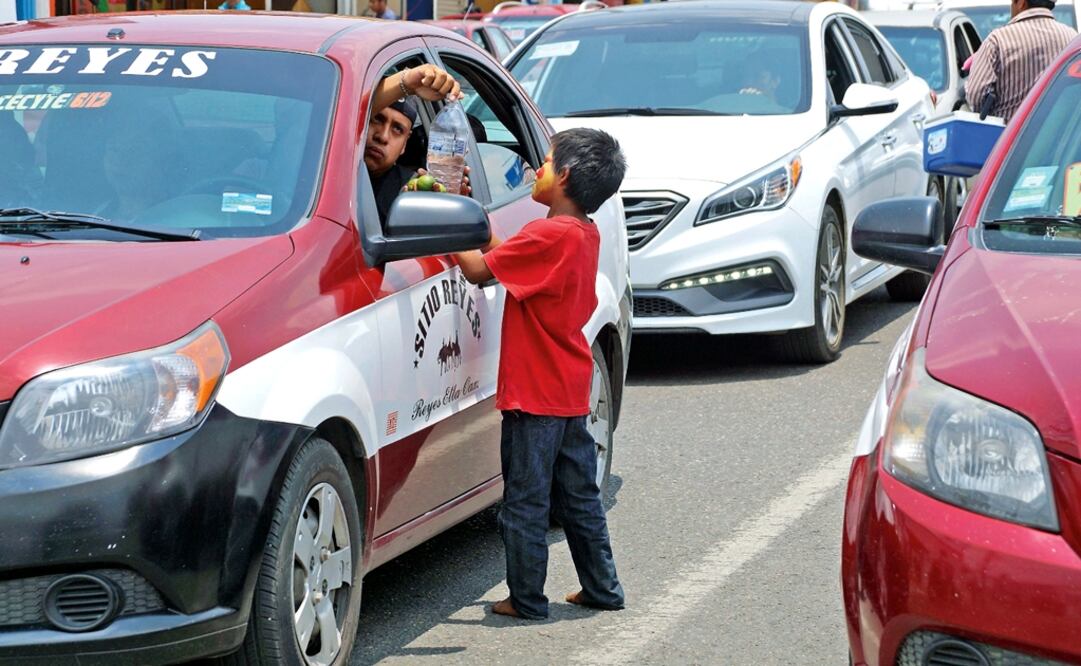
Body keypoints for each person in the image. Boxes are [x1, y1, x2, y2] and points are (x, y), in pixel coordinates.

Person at [454, 128, 628, 621]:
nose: (537, 169)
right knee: (579, 497)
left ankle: (526, 599)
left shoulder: (546, 235)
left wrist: (449, 219)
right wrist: (475, 212)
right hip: (570, 388)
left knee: (525, 501)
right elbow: (510, 253)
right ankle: (602, 587)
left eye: (546, 162)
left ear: (565, 176)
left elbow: (477, 270)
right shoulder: (580, 234)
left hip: (534, 395)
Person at [365, 64, 466, 223]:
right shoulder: (323, 167)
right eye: (377, 119)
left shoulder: (414, 192)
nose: (383, 137)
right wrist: (407, 82)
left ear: (405, 143)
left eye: (397, 129)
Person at [965, 0, 1076, 121]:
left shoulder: (998, 40)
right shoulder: (1072, 38)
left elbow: (976, 97)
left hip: (1007, 135)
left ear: (1021, 3)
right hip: (1057, 136)